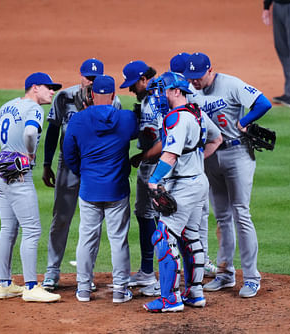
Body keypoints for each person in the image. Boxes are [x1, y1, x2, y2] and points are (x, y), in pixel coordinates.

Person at [184, 52, 272, 298]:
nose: (194, 82)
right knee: (222, 217)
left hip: (237, 155)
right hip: (211, 156)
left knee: (241, 213)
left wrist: (244, 121)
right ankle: (225, 274)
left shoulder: (231, 84)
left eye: (198, 77)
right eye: (191, 78)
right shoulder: (192, 92)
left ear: (210, 69)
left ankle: (252, 277)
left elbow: (263, 103)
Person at [143, 72, 222, 313]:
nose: (160, 96)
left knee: (162, 237)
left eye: (163, 91)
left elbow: (170, 155)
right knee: (190, 236)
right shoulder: (197, 113)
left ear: (176, 91)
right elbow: (216, 139)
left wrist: (154, 180)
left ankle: (170, 299)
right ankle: (194, 293)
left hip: (184, 186)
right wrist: (196, 164)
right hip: (199, 181)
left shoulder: (176, 118)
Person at [41, 58, 122, 291]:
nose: (91, 82)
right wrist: (47, 163)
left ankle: (86, 275)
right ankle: (52, 271)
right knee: (61, 218)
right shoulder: (64, 97)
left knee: (92, 223)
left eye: (95, 79)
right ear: (81, 76)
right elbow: (53, 130)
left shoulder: (113, 101)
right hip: (68, 165)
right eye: (88, 77)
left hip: (95, 168)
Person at [0, 72, 63, 302]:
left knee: (8, 229)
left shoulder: (9, 105)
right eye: (48, 87)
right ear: (35, 87)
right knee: (32, 230)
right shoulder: (35, 109)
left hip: (0, 171)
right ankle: (30, 287)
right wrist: (30, 153)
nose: (52, 91)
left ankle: (5, 285)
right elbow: (29, 132)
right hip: (18, 175)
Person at [62, 75, 138, 303]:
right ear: (114, 95)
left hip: (89, 189)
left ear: (92, 95)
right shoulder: (126, 118)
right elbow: (138, 135)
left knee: (87, 238)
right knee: (118, 240)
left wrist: (83, 172)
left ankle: (83, 289)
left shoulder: (77, 120)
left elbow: (68, 154)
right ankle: (120, 290)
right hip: (117, 189)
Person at [170, 52, 219, 279]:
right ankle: (195, 280)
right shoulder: (189, 103)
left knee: (185, 226)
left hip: (184, 175)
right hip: (191, 175)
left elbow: (214, 138)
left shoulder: (186, 105)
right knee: (193, 225)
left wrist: (192, 159)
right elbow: (216, 138)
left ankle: (178, 280)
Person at [119, 60, 160, 292]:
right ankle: (146, 271)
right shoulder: (148, 99)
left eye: (133, 84)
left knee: (163, 219)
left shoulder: (156, 100)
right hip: (150, 165)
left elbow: (167, 141)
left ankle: (163, 278)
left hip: (160, 168)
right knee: (144, 214)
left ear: (144, 79)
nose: (131, 89)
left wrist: (142, 156)